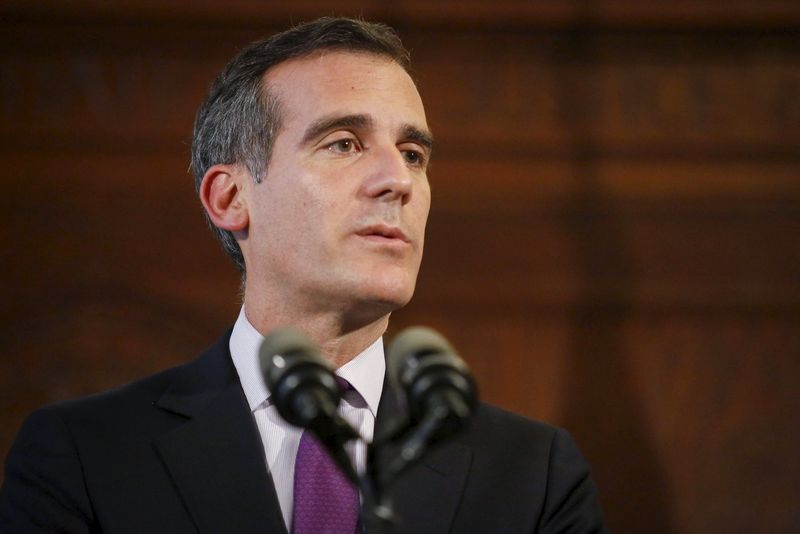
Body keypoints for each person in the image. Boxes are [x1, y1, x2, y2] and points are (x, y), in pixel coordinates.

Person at [0, 17, 607, 533]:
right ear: (232, 197)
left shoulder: (534, 476)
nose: (397, 180)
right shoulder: (84, 455)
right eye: (344, 143)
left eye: (413, 154)